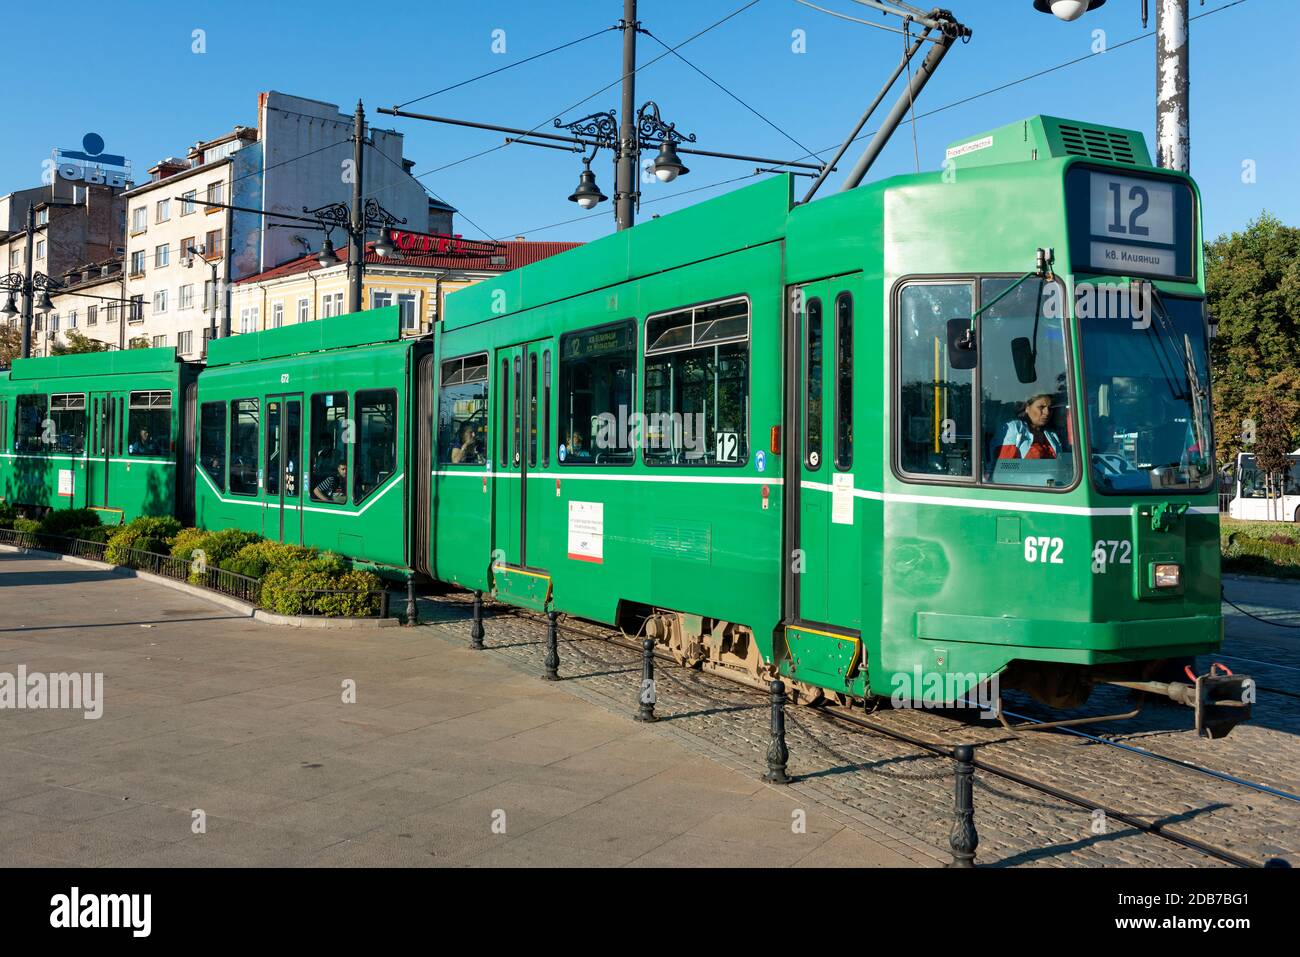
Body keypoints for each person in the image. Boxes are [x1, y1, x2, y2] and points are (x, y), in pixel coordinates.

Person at [994, 393, 1062, 460]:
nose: (1047, 412)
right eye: (1041, 407)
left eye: (1050, 408)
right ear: (1027, 408)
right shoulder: (1014, 428)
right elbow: (1005, 466)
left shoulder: (1052, 434)